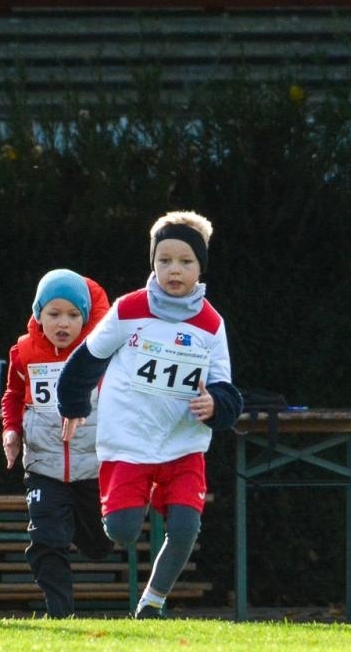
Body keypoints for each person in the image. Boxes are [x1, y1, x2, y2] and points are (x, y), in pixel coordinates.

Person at [56, 211, 243, 619]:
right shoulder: (129, 309)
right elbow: (87, 358)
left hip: (182, 443)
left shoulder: (211, 324)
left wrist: (215, 406)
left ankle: (153, 601)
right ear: (152, 262)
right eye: (164, 260)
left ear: (200, 267)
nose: (174, 270)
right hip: (129, 441)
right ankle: (144, 497)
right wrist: (72, 404)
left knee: (185, 529)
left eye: (185, 262)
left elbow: (226, 389)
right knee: (120, 531)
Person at [1, 269, 115, 617]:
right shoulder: (23, 352)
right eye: (53, 314)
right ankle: (59, 612)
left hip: (92, 466)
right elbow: (13, 395)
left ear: (85, 318)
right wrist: (11, 431)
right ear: (39, 314)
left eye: (73, 315)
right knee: (47, 539)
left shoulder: (102, 352)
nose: (63, 323)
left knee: (100, 545)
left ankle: (84, 532)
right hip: (44, 465)